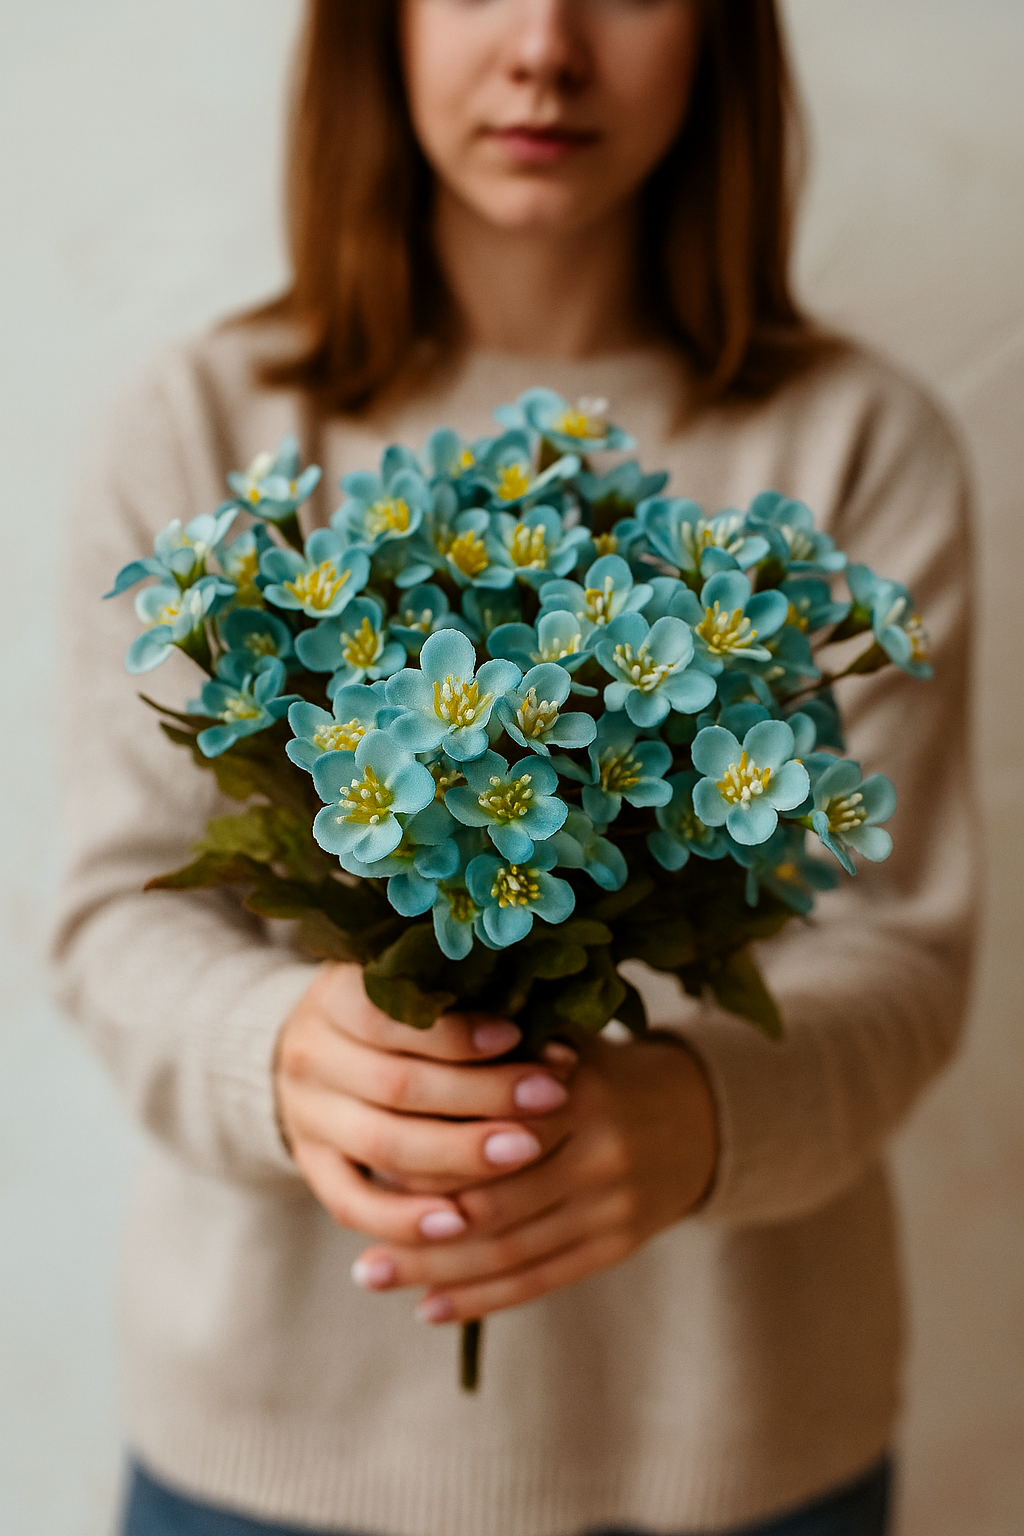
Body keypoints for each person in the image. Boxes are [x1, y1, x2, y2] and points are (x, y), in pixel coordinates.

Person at [52, 3, 976, 1534]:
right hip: (269, 1464)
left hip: (739, 1458)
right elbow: (110, 916)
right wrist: (280, 1052)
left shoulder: (862, 444)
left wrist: (701, 1117)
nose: (545, 46)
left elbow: (907, 954)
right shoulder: (204, 423)